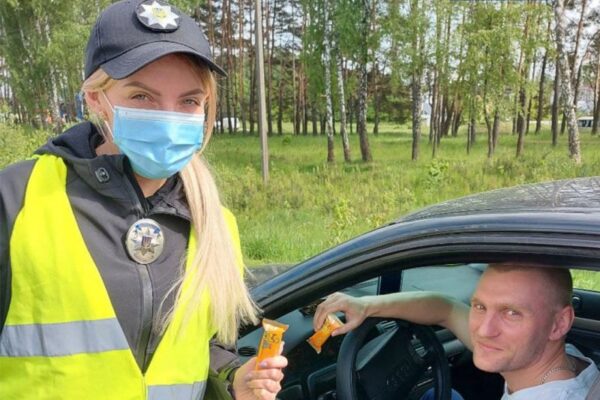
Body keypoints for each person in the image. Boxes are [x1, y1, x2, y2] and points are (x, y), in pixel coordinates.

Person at [0, 1, 286, 399]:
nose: (168, 118)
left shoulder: (217, 224)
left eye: (188, 101)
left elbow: (203, 347)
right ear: (96, 98)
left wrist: (233, 376)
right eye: (142, 97)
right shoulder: (16, 199)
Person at [314, 263, 600, 399]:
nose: (484, 330)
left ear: (559, 323)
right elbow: (446, 309)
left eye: (511, 313)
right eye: (479, 306)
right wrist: (366, 306)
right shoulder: (564, 358)